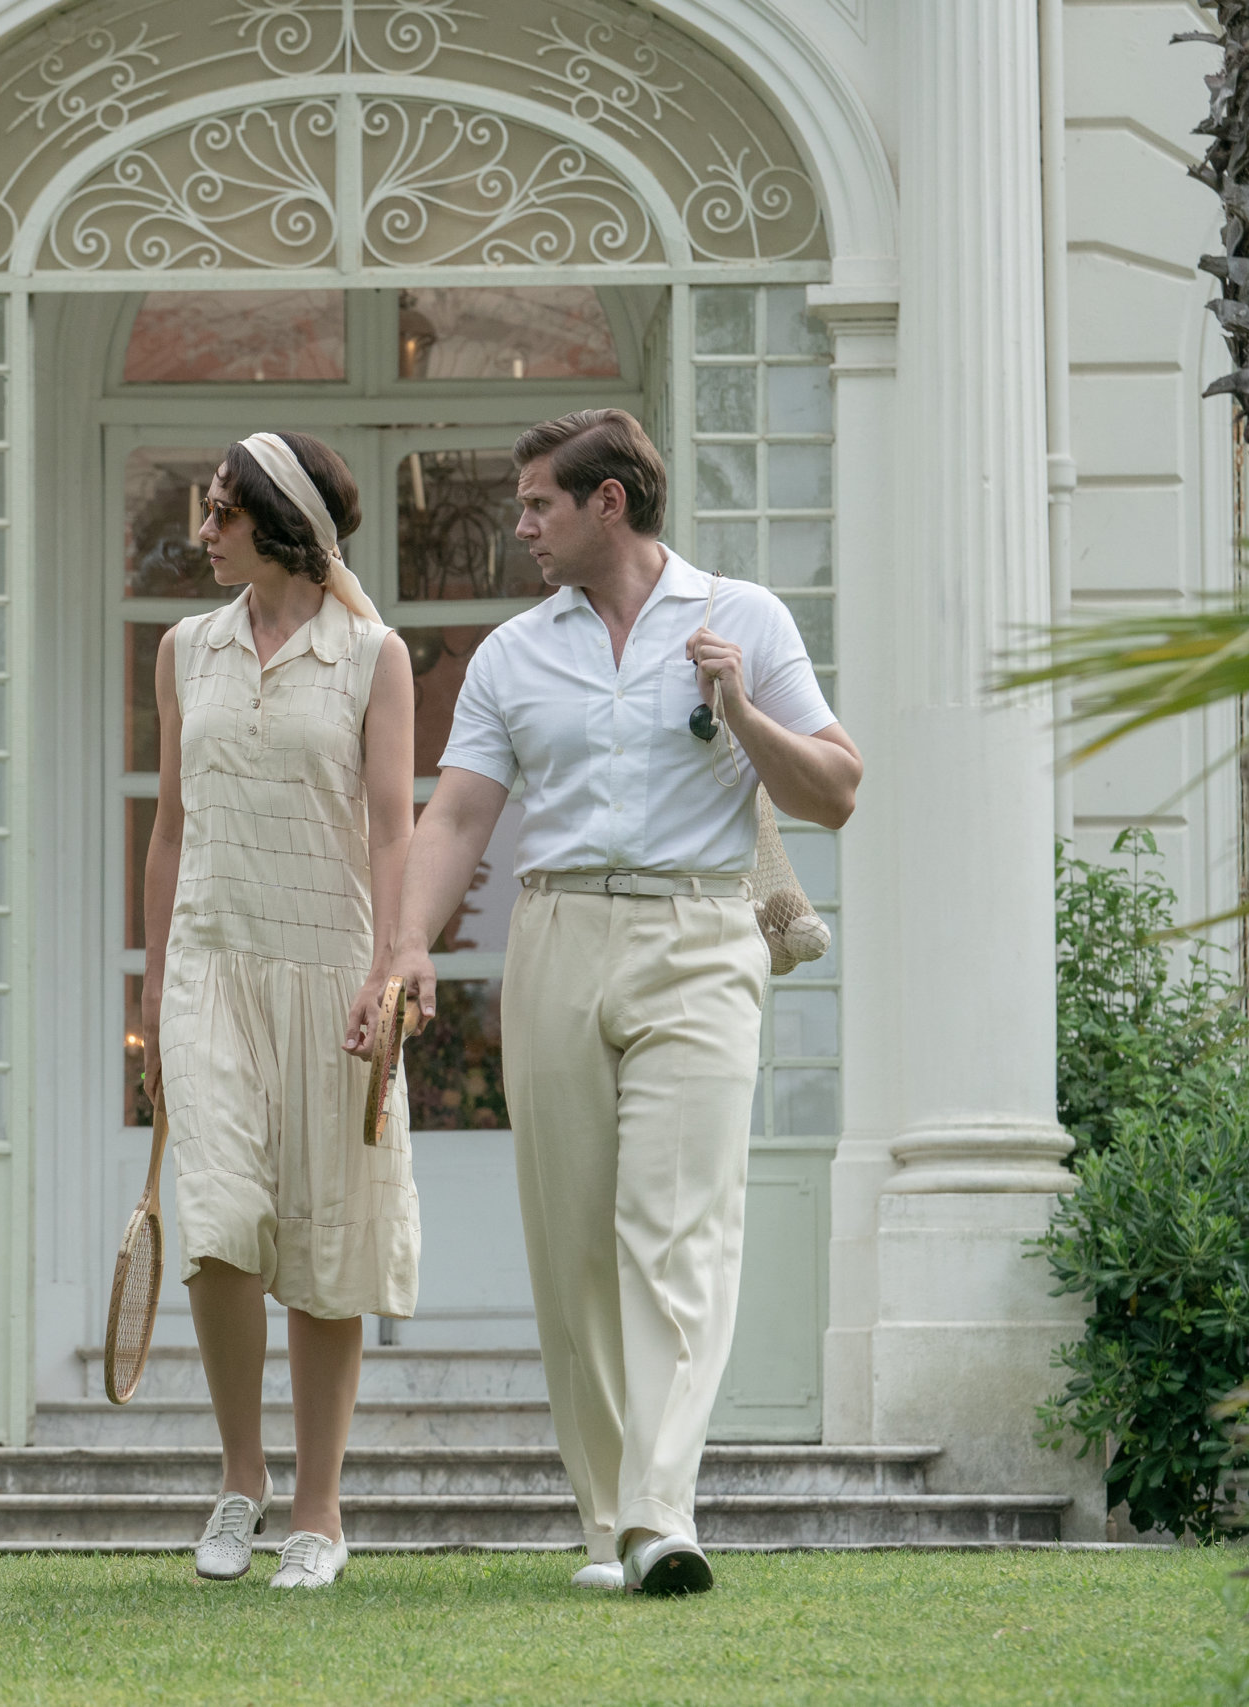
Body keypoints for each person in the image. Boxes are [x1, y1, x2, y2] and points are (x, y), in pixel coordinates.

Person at [399, 409, 861, 1596]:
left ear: (609, 504)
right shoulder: (511, 652)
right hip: (554, 935)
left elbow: (837, 791)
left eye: (539, 504)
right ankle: (609, 1519)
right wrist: (401, 947)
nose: (521, 525)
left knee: (678, 1227)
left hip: (701, 934)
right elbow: (455, 817)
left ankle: (663, 1510)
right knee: (573, 1246)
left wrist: (743, 711)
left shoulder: (742, 618)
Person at [141, 431, 421, 1590]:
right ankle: (239, 1480)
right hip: (209, 967)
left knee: (325, 1235)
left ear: (277, 522)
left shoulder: (374, 656)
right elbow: (167, 827)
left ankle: (317, 1507)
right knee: (215, 1225)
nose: (201, 534)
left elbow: (396, 827)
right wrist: (152, 994)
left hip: (331, 973)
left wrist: (390, 974)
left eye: (219, 514)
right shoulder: (181, 650)